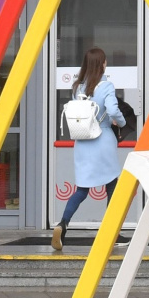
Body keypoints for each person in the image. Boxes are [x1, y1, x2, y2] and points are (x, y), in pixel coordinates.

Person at [52, 47, 126, 250]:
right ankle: (112, 233)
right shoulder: (106, 86)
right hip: (102, 140)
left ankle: (63, 224)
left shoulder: (78, 87)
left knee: (82, 189)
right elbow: (113, 110)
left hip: (82, 142)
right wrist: (121, 122)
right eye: (105, 61)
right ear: (102, 64)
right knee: (112, 186)